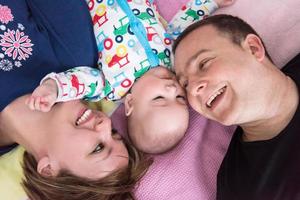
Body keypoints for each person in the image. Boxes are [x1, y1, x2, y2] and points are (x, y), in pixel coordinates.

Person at [27, 0, 235, 154]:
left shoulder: (112, 86)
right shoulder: (175, 61)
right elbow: (182, 26)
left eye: (160, 99)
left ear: (131, 104)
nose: (172, 89)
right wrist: (210, 3)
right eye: (180, 98)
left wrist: (53, 89)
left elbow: (80, 82)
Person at [0, 1, 150, 199]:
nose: (105, 123)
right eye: (113, 133)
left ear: (48, 171)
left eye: (98, 148)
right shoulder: (73, 55)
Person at [173, 14, 300, 199]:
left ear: (253, 48)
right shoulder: (237, 188)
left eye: (204, 63)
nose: (193, 89)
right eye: (185, 85)